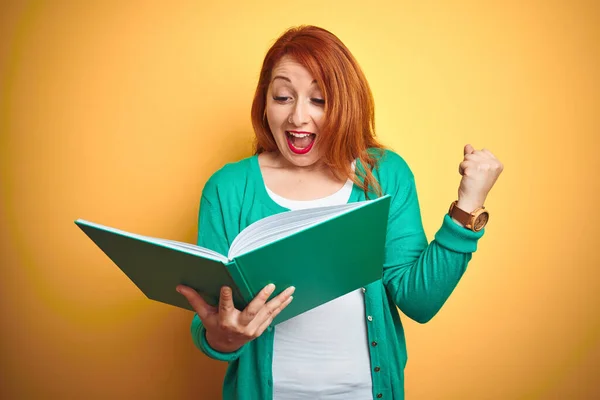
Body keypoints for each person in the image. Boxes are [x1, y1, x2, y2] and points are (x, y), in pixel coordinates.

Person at [176, 25, 503, 400]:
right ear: (264, 102)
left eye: (319, 100)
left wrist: (467, 207)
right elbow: (211, 325)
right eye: (283, 96)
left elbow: (420, 300)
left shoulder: (385, 174)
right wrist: (224, 334)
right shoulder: (228, 188)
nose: (298, 117)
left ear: (346, 104)